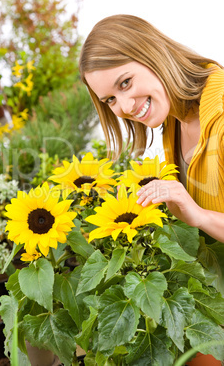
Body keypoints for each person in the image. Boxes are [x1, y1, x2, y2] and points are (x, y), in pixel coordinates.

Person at [79, 14, 224, 243]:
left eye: (125, 82)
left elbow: (200, 215)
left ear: (151, 55)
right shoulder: (174, 120)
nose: (125, 106)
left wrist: (200, 216)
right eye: (110, 99)